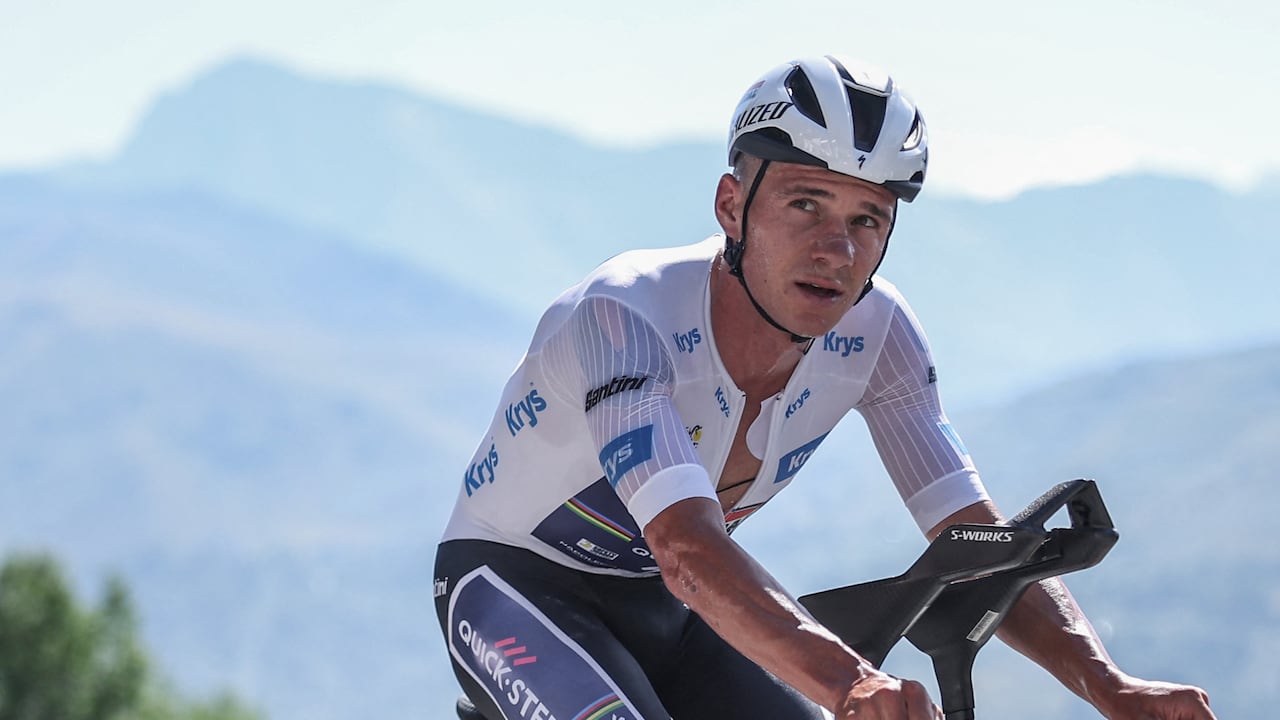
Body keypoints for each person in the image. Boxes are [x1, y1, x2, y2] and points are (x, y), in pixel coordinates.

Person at [433, 55, 1216, 720]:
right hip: (512, 586)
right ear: (732, 206)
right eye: (805, 203)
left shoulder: (880, 335)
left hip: (671, 610)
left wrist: (1111, 689)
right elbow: (685, 549)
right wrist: (852, 683)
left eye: (868, 219)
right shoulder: (624, 314)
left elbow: (972, 541)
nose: (836, 248)